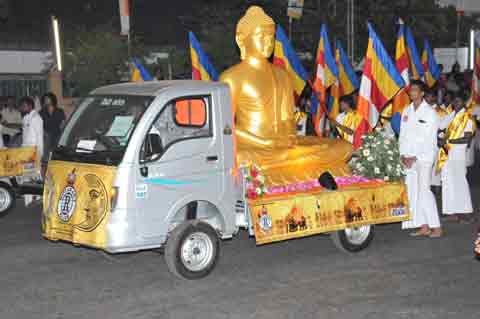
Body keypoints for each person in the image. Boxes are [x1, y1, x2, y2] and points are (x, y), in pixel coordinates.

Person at [399, 80, 442, 237]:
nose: (412, 92)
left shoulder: (430, 113)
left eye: (416, 90)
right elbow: (402, 136)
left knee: (424, 191)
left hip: (423, 158)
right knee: (413, 191)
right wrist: (403, 155)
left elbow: (428, 138)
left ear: (422, 93)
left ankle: (436, 226)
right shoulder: (406, 110)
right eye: (411, 90)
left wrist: (414, 157)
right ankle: (423, 225)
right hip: (408, 157)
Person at [437, 92, 475, 223]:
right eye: (454, 101)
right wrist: (441, 137)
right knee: (447, 182)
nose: (456, 103)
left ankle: (466, 212)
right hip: (447, 153)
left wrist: (449, 142)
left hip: (458, 155)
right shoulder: (452, 115)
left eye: (458, 101)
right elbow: (440, 127)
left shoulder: (467, 118)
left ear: (464, 102)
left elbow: (467, 138)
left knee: (460, 183)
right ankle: (450, 211)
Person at [424, 88, 449, 189]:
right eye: (425, 97)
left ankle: (436, 185)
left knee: (436, 164)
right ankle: (427, 185)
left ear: (434, 98)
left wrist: (440, 139)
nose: (426, 99)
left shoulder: (441, 112)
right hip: (424, 142)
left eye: (428, 96)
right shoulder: (422, 110)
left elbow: (444, 128)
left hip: (436, 142)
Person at [40, 92, 65, 158]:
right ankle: (45, 161)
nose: (45, 100)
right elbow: (40, 126)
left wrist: (62, 135)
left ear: (52, 99)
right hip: (46, 135)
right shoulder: (41, 112)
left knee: (57, 148)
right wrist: (44, 133)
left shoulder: (59, 111)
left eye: (47, 99)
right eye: (44, 99)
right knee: (47, 139)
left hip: (57, 134)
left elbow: (62, 124)